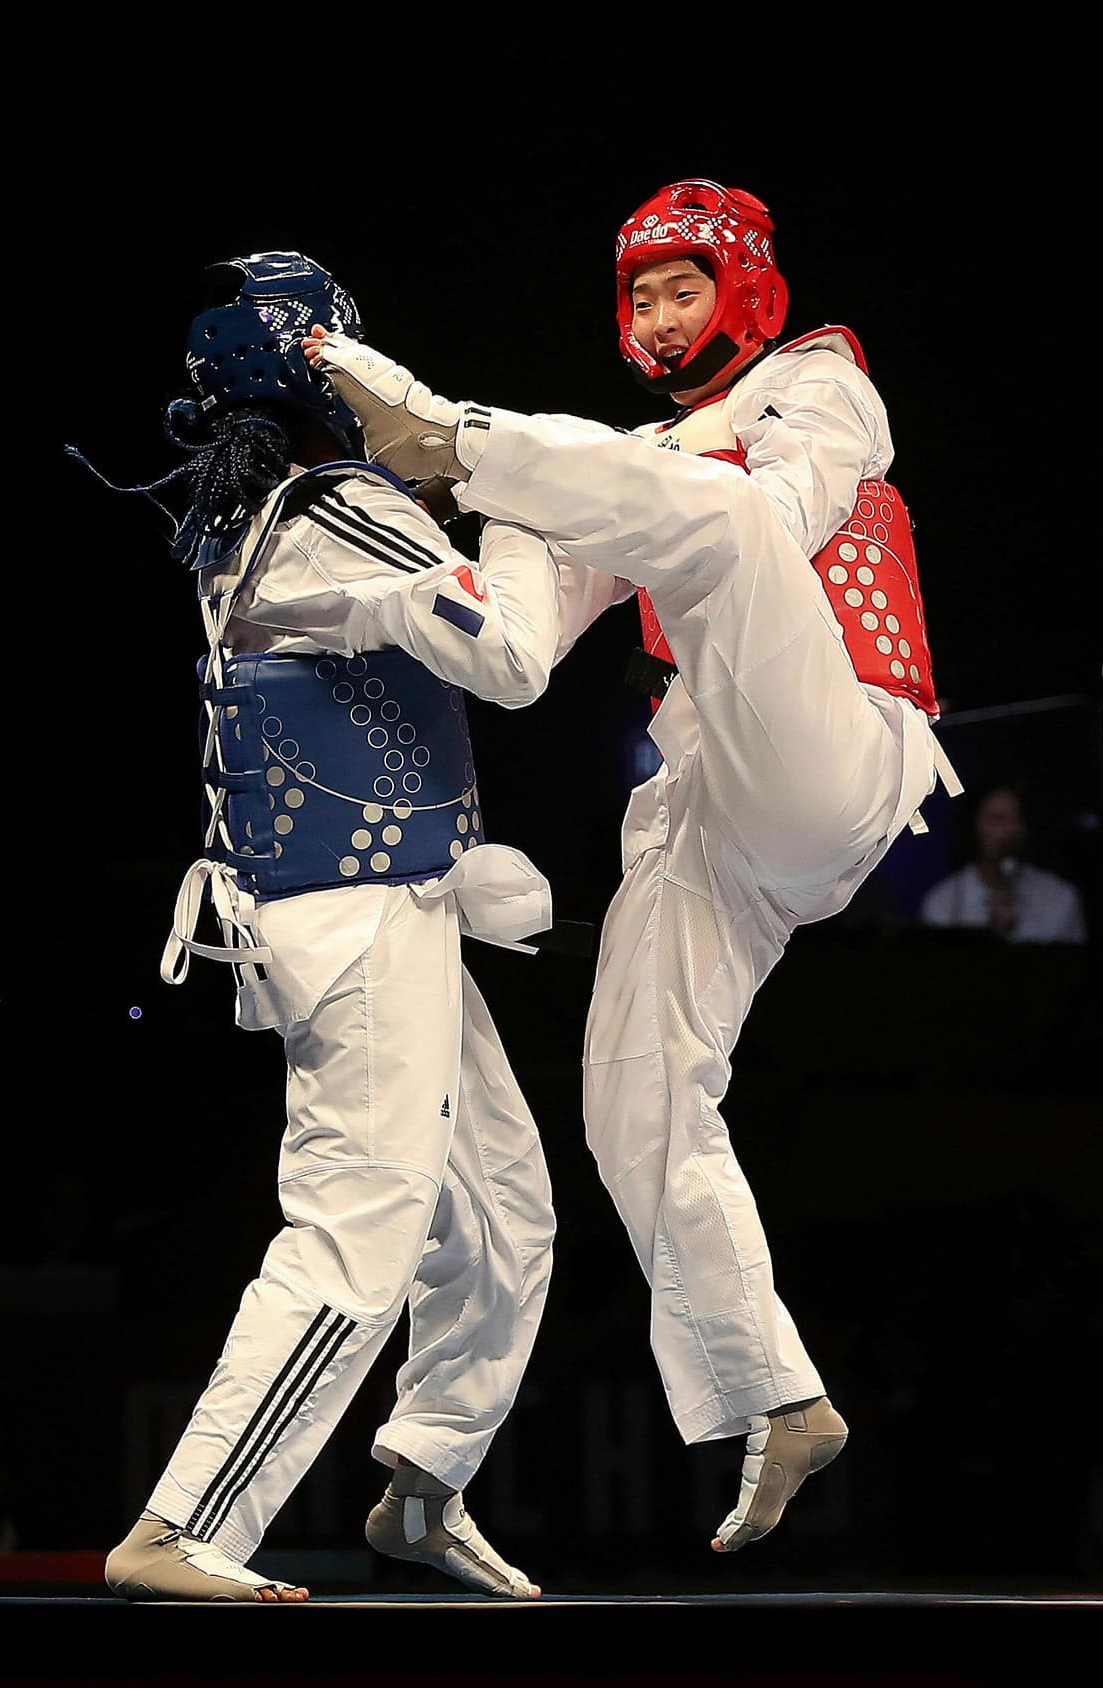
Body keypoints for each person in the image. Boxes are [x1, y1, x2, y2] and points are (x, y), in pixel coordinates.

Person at [304, 178, 963, 1556]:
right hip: (710, 791)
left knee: (692, 522)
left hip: (837, 746)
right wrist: (385, 593)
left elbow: (768, 522)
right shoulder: (629, 463)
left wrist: (497, 454)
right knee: (635, 1093)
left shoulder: (817, 379)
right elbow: (539, 611)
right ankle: (774, 1394)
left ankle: (452, 432)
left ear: (745, 290)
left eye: (683, 289)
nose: (661, 318)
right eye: (641, 299)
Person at [87, 251, 577, 1602]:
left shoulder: (268, 512)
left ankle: (423, 1483)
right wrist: (535, 508)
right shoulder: (340, 506)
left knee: (499, 1213)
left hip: (378, 907)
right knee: (360, 1222)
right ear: (327, 361)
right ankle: (182, 1529)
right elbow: (513, 659)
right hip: (355, 929)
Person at [920, 783, 1086, 942]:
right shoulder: (942, 905)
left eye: (1017, 818)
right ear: (973, 827)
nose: (1011, 830)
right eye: (998, 820)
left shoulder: (1060, 898)